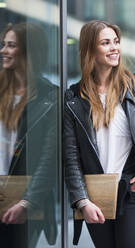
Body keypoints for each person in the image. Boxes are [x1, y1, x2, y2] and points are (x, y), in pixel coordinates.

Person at [63, 20, 135, 248]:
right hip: (95, 195)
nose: (114, 48)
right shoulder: (73, 97)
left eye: (116, 41)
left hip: (132, 190)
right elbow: (71, 157)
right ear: (90, 49)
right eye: (106, 43)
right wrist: (82, 200)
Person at [0, 23, 58, 247]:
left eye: (11, 45)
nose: (3, 50)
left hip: (22, 201)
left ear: (28, 53)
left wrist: (29, 201)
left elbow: (49, 158)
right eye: (3, 44)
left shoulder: (50, 97)